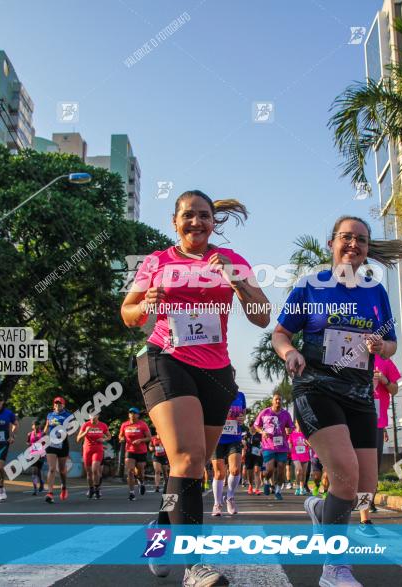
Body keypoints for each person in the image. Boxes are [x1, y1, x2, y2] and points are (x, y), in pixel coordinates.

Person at [121, 189, 270, 585]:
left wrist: (236, 282)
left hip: (216, 371)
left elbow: (261, 315)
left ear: (213, 222)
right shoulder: (157, 261)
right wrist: (146, 305)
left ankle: (159, 534)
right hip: (165, 359)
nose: (196, 222)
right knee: (186, 458)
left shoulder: (232, 261)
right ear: (175, 221)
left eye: (204, 216)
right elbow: (128, 314)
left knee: (192, 465)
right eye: (188, 215)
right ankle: (195, 566)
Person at [272, 215, 402, 587]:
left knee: (364, 489)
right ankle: (334, 569)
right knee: (345, 475)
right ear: (332, 243)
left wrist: (383, 346)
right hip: (316, 387)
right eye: (346, 238)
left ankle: (321, 508)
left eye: (361, 240)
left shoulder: (374, 291)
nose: (354, 245)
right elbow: (281, 333)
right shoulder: (311, 287)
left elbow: (392, 343)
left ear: (367, 250)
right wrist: (289, 354)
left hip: (360, 393)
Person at [358, 355, 401, 533]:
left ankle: (365, 513)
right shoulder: (352, 357)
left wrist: (383, 380)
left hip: (376, 422)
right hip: (355, 419)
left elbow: (394, 390)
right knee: (355, 468)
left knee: (370, 471)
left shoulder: (385, 362)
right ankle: (362, 514)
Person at [212, 381, 246, 516]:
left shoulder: (240, 395)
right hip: (217, 438)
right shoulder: (214, 394)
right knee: (219, 473)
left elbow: (243, 414)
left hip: (234, 437)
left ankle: (230, 497)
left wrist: (242, 418)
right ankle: (217, 503)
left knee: (235, 470)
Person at [253, 394, 294, 501]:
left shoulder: (286, 414)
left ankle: (278, 491)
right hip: (268, 445)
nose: (278, 401)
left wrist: (289, 430)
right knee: (270, 469)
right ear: (272, 401)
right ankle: (266, 481)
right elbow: (256, 425)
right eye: (276, 399)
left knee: (281, 469)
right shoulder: (265, 412)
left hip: (282, 446)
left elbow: (291, 427)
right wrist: (262, 432)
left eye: (280, 400)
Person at [43, 396, 72, 503]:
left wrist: (65, 431)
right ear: (53, 404)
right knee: (51, 468)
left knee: (62, 469)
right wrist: (43, 434)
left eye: (60, 403)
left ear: (63, 405)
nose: (57, 405)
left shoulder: (68, 415)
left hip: (63, 443)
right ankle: (50, 493)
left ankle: (64, 486)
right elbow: (46, 427)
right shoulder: (50, 415)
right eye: (56, 403)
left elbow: (72, 429)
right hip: (51, 443)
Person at [119, 408, 152, 500]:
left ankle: (141, 482)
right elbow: (121, 435)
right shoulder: (124, 425)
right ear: (128, 415)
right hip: (130, 450)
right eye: (130, 413)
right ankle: (132, 492)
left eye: (134, 413)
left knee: (140, 472)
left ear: (138, 415)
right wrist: (121, 438)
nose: (132, 415)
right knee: (130, 471)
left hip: (141, 451)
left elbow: (149, 438)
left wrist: (140, 440)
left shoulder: (142, 424)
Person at [78, 412, 111, 499]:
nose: (93, 417)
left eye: (95, 415)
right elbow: (78, 439)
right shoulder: (85, 425)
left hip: (98, 450)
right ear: (89, 416)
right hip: (87, 450)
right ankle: (91, 488)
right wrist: (85, 432)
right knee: (88, 472)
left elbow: (109, 436)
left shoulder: (103, 425)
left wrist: (103, 439)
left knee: (95, 470)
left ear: (98, 416)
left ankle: (97, 489)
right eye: (91, 415)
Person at [288, 426, 311, 495]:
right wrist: (290, 449)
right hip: (295, 455)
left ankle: (302, 488)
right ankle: (297, 487)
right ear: (296, 424)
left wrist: (307, 443)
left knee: (304, 473)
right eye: (298, 423)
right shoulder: (292, 434)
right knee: (299, 471)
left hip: (305, 454)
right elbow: (290, 445)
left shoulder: (306, 433)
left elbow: (310, 445)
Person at [27, 421, 46, 495]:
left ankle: (41, 482)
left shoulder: (43, 434)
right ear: (32, 426)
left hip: (41, 454)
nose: (36, 426)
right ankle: (35, 489)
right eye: (34, 425)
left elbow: (46, 443)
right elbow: (28, 442)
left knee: (38, 470)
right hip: (33, 454)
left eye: (37, 425)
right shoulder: (29, 434)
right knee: (34, 471)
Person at [244, 428, 263, 495]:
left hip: (258, 455)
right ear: (249, 427)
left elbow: (263, 443)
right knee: (249, 472)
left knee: (257, 471)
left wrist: (262, 449)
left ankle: (257, 489)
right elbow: (243, 444)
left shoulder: (259, 435)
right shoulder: (246, 435)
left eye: (254, 427)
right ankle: (250, 486)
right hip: (249, 455)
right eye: (251, 426)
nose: (253, 428)